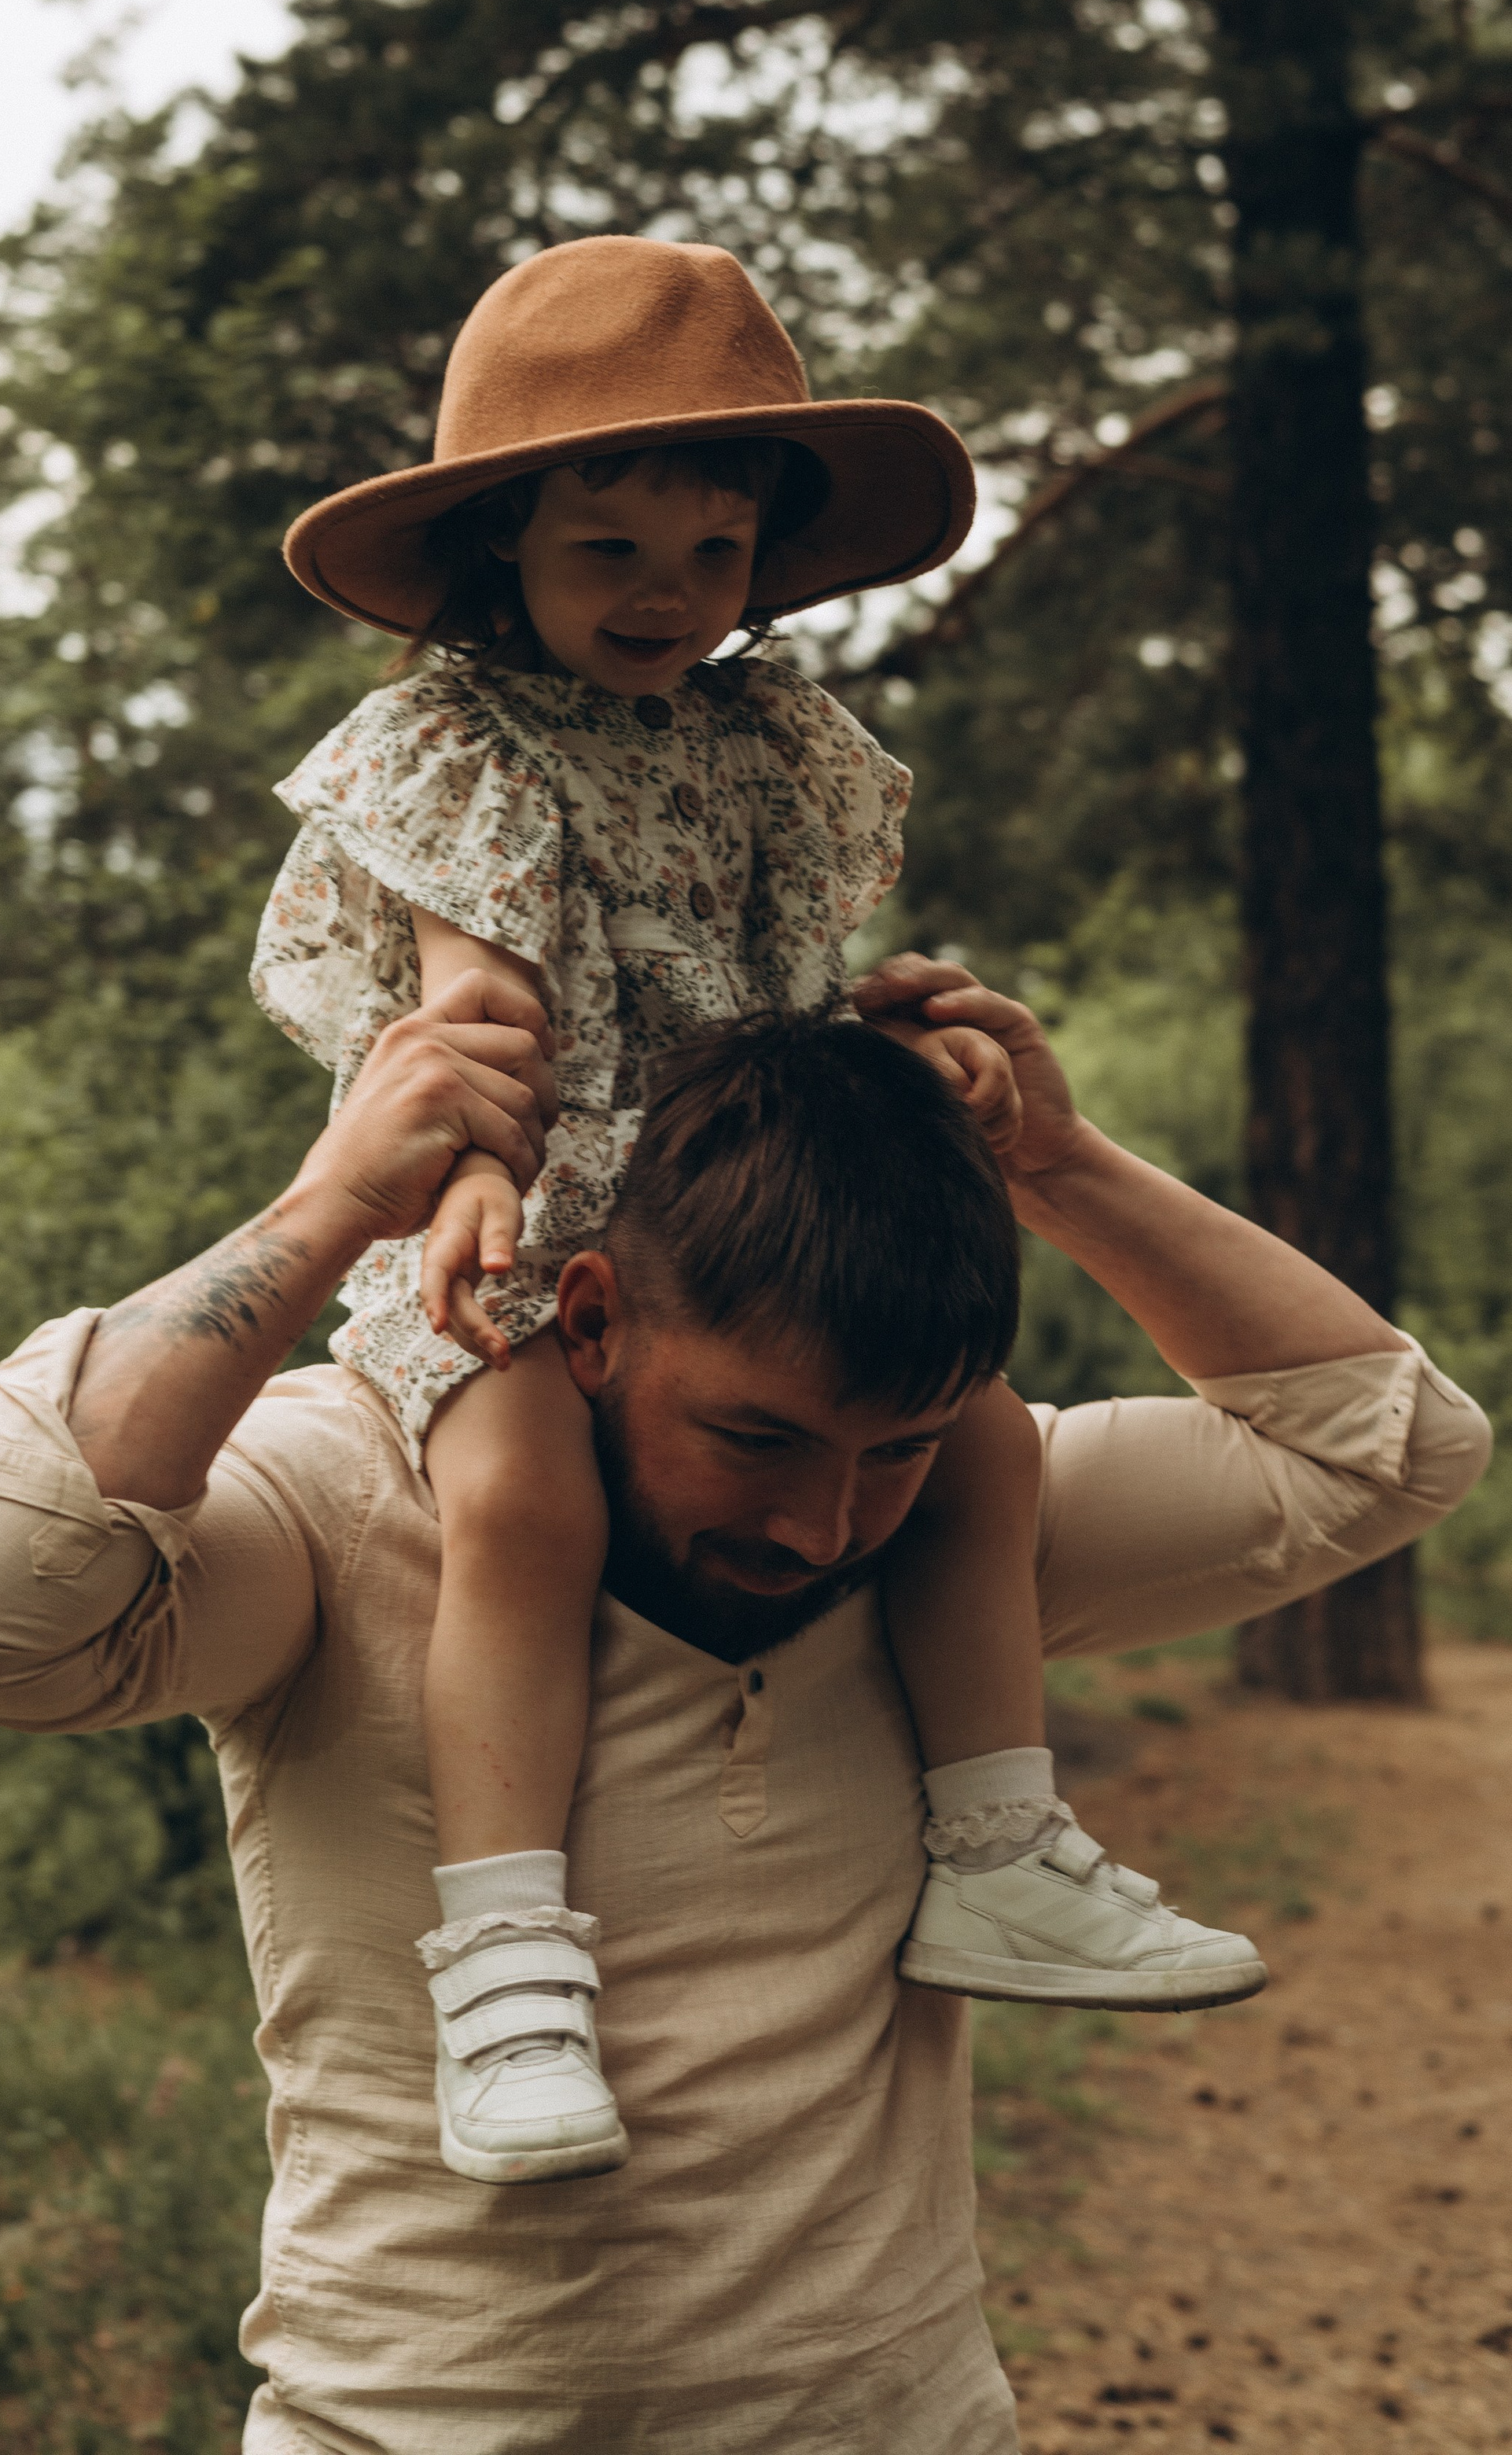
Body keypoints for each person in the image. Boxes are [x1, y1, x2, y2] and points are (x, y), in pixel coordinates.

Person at [0, 959, 1488, 2455]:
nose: (820, 1527)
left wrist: (1057, 1167)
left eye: (898, 1449)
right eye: (756, 1441)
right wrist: (330, 1207)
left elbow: (1382, 1449)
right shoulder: (347, 1502)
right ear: (588, 1320)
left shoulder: (946, 1562)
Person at [253, 232, 1227, 2188]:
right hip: (522, 1189)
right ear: (503, 545)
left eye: (710, 555)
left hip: (751, 1201)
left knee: (969, 1437)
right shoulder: (458, 746)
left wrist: (903, 1061)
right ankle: (511, 1965)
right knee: (517, 1486)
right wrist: (473, 1179)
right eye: (610, 550)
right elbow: (476, 1011)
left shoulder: (773, 742)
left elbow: (780, 991)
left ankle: (996, 1839)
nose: (667, 598)